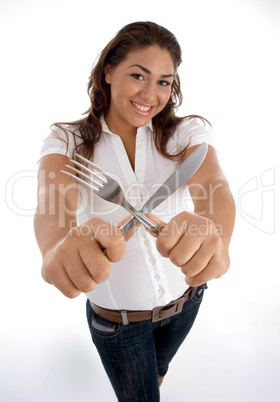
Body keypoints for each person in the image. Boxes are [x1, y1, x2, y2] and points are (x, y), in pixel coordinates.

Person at [34, 21, 235, 402]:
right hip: (118, 327)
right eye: (138, 75)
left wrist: (217, 234)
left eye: (163, 81)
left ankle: (157, 370)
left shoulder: (185, 133)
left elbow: (216, 188)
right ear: (108, 71)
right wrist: (55, 246)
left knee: (158, 368)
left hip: (187, 301)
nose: (150, 93)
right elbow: (52, 201)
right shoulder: (67, 140)